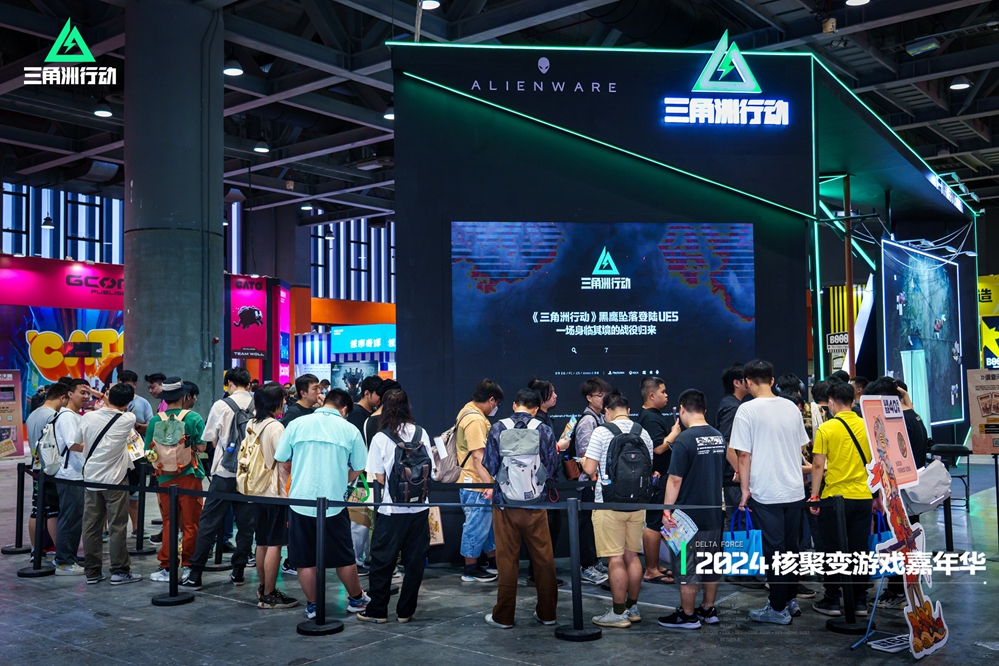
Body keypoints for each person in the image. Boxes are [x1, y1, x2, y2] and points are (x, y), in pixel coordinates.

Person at [274, 388, 370, 620]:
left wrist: (299, 473)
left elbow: (282, 459)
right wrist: (341, 480)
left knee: (304, 558)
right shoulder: (350, 429)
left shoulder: (297, 424)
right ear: (344, 409)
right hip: (333, 503)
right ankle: (356, 599)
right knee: (344, 556)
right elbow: (359, 466)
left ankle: (313, 605)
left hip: (300, 501)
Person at [730, 360, 810, 625]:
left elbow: (743, 455)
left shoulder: (746, 410)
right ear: (772, 380)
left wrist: (744, 490)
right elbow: (800, 447)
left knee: (774, 551)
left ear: (748, 382)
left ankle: (777, 608)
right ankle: (790, 600)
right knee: (791, 549)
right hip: (794, 489)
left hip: (767, 491)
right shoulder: (791, 407)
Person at [479, 388, 560, 629]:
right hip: (536, 505)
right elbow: (551, 466)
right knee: (544, 560)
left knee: (507, 561)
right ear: (535, 409)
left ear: (515, 405)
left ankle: (503, 616)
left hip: (505, 505)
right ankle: (547, 613)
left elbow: (490, 464)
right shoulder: (543, 429)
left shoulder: (498, 428)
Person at [356, 390, 434, 624]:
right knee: (415, 562)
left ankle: (378, 611)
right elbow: (430, 469)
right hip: (420, 509)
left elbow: (378, 476)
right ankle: (405, 611)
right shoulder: (421, 432)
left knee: (382, 562)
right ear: (408, 407)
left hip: (391, 510)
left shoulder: (381, 438)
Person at [582, 390, 654, 628]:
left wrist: (582, 461)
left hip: (609, 504)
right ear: (628, 411)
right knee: (632, 556)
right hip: (638, 504)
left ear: (607, 411)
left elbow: (590, 469)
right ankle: (633, 608)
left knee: (615, 559)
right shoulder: (643, 433)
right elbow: (649, 467)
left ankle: (618, 612)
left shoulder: (601, 432)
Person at [182, 369, 257, 591]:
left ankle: (195, 574)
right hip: (249, 475)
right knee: (246, 526)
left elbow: (210, 439)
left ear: (229, 383)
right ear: (249, 384)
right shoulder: (257, 405)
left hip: (224, 473)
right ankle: (238, 572)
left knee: (209, 522)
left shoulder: (221, 405)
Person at [657, 389, 726, 629]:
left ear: (682, 410)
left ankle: (688, 615)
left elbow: (675, 479)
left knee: (686, 566)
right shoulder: (718, 436)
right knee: (711, 563)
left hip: (687, 519)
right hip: (714, 515)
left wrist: (666, 511)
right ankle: (708, 609)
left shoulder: (684, 439)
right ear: (704, 409)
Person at [809, 380, 872, 618]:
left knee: (832, 550)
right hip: (863, 496)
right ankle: (860, 601)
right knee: (859, 549)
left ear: (831, 402)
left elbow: (818, 464)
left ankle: (833, 600)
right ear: (853, 401)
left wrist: (814, 495)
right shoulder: (867, 426)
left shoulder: (827, 428)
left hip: (835, 499)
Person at [866, 377, 927, 610]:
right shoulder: (914, 416)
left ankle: (898, 591)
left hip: (900, 493)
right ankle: (904, 589)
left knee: (901, 541)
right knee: (907, 541)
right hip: (911, 492)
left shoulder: (897, 421)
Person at [143, 377, 207, 582]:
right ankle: (189, 565)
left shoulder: (155, 420)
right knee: (191, 523)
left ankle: (167, 566)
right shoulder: (193, 417)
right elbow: (202, 447)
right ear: (183, 396)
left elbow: (148, 452)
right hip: (190, 475)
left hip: (164, 477)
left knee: (169, 522)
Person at [80, 383, 142, 586]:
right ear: (129, 402)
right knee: (117, 526)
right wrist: (102, 395)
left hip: (91, 477)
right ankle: (119, 571)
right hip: (115, 480)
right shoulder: (128, 418)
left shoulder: (88, 417)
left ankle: (92, 572)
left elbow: (78, 440)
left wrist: (100, 396)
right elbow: (118, 408)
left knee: (91, 526)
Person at [242, 382, 296, 609]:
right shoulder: (275, 427)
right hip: (275, 492)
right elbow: (284, 461)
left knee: (262, 541)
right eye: (282, 398)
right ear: (275, 402)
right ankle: (269, 594)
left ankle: (264, 588)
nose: (285, 402)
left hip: (257, 490)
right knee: (276, 543)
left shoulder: (252, 423)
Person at [455, 378, 504, 583]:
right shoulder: (475, 419)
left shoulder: (467, 411)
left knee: (486, 526)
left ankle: (492, 562)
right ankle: (470, 568)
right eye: (497, 403)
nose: (496, 408)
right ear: (491, 400)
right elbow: (478, 456)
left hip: (475, 481)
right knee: (476, 526)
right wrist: (488, 484)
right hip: (476, 483)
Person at [525, 378, 567, 587]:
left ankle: (539, 572)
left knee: (548, 528)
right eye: (552, 392)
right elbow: (542, 453)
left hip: (545, 484)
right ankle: (539, 574)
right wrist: (559, 447)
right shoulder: (538, 422)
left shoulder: (542, 419)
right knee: (545, 530)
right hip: (542, 485)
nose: (556, 395)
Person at [572, 377, 612, 586]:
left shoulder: (600, 417)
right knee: (587, 525)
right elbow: (584, 454)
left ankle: (594, 562)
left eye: (605, 394)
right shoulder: (588, 420)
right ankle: (586, 567)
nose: (603, 398)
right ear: (589, 397)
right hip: (589, 481)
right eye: (599, 395)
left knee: (595, 524)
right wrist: (594, 473)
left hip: (598, 481)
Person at [636, 376, 674, 585]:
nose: (666, 395)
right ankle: (650, 569)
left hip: (660, 477)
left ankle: (656, 565)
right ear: (652, 395)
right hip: (656, 479)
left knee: (658, 522)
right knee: (653, 522)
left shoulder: (653, 415)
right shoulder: (650, 418)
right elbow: (658, 448)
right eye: (663, 391)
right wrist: (675, 433)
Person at [25, 382, 69, 556]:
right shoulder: (53, 416)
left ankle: (36, 550)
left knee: (37, 509)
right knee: (53, 510)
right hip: (50, 468)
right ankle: (61, 553)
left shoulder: (33, 414)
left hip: (36, 466)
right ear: (62, 397)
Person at [52, 379, 90, 575]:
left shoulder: (74, 416)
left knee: (74, 518)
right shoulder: (67, 417)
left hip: (76, 474)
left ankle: (68, 558)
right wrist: (96, 446)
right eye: (82, 392)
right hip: (70, 475)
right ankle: (64, 562)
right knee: (70, 519)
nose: (86, 396)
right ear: (69, 394)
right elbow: (73, 445)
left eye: (88, 393)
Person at [119, 370, 153, 435]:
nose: (124, 388)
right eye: (122, 384)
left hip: (138, 440)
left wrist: (135, 424)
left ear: (135, 384)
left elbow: (151, 427)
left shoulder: (143, 403)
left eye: (127, 385)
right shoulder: (114, 401)